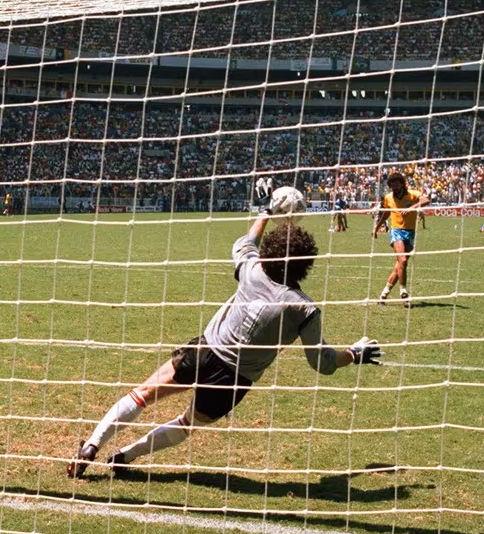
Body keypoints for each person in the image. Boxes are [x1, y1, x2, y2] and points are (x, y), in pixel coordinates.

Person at [67, 207, 383, 478]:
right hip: (233, 380)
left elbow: (246, 243)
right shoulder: (304, 308)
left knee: (141, 396)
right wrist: (354, 354)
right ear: (307, 263)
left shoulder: (252, 271)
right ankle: (126, 457)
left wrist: (265, 214)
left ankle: (91, 445)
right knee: (186, 424)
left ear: (270, 252)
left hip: (204, 351)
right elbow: (322, 363)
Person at [372, 172, 430, 305]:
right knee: (403, 260)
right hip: (396, 231)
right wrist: (376, 228)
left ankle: (384, 294)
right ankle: (403, 293)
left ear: (402, 184)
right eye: (392, 186)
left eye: (396, 185)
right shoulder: (388, 198)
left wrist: (412, 208)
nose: (394, 188)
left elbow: (426, 200)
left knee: (400, 265)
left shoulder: (413, 194)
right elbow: (386, 213)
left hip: (410, 232)